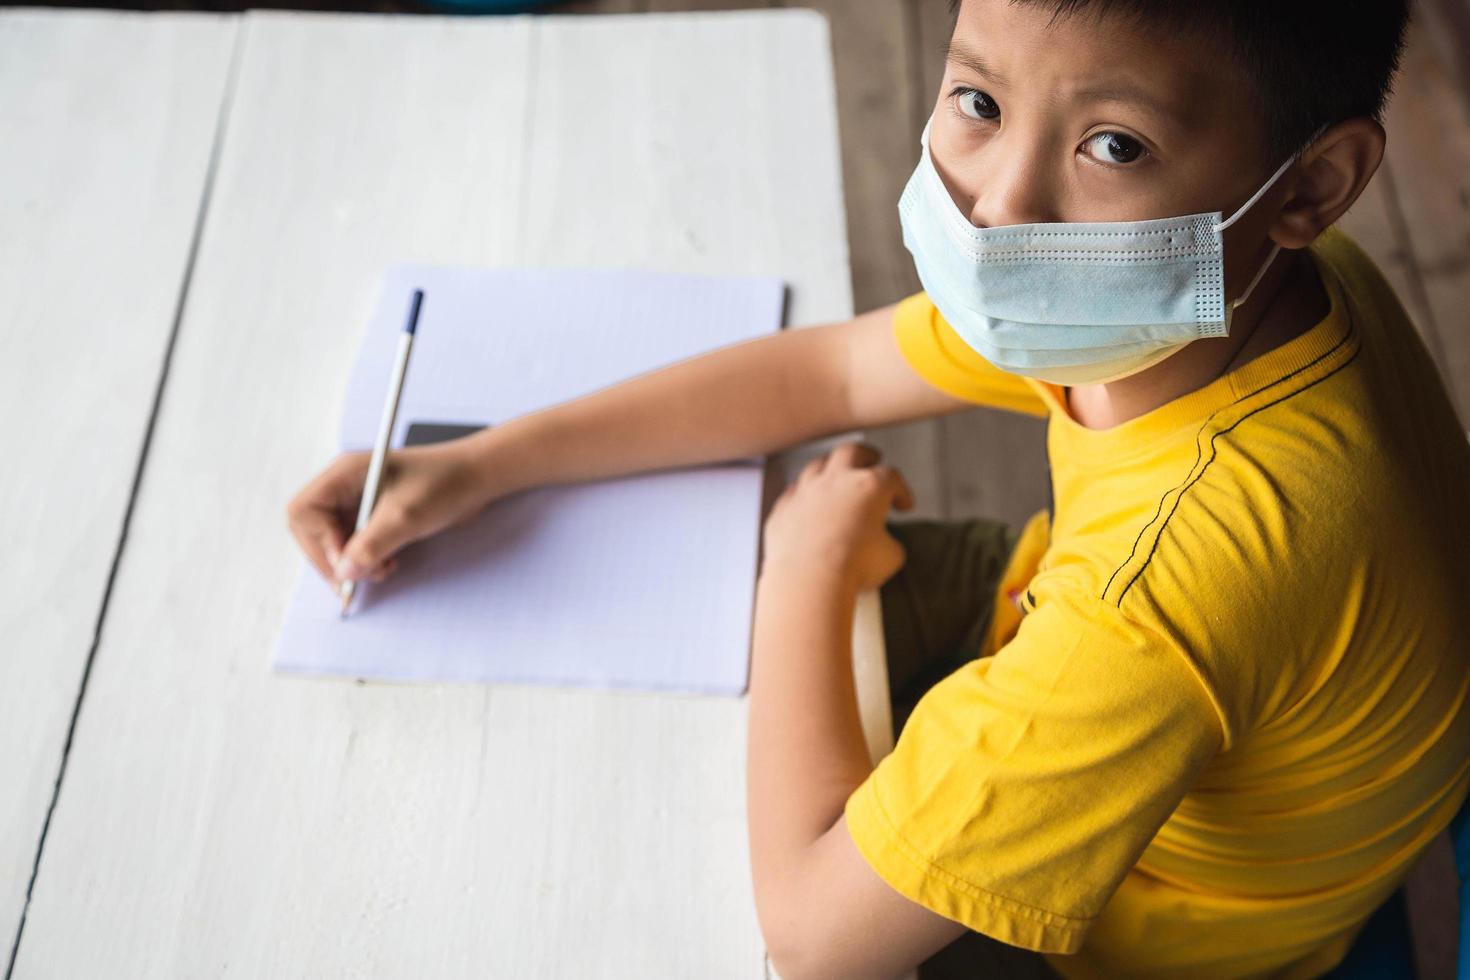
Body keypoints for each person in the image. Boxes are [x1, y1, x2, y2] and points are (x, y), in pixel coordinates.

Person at [286, 0, 1470, 975]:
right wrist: (485, 461)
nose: (1001, 208)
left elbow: (812, 934)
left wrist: (804, 569)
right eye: (980, 102)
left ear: (1314, 182)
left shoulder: (1166, 590)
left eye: (1113, 146)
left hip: (1150, 934)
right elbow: (835, 367)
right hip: (1140, 682)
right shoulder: (1225, 281)